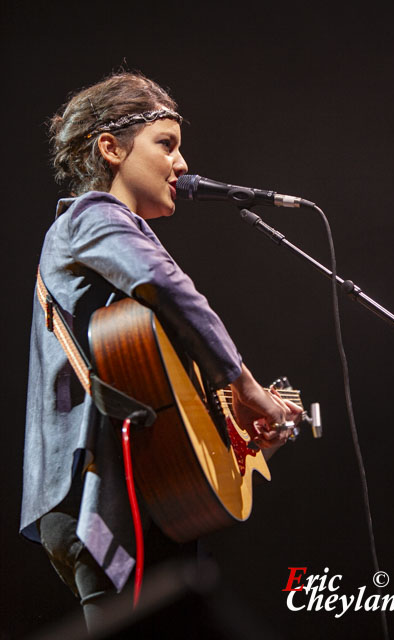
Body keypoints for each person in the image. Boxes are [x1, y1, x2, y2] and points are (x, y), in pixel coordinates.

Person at [20, 71, 302, 632]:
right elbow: (171, 291)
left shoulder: (108, 240)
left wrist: (234, 424)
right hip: (101, 488)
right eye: (165, 144)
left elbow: (153, 377)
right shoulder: (91, 216)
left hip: (131, 487)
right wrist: (244, 386)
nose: (181, 164)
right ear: (110, 147)